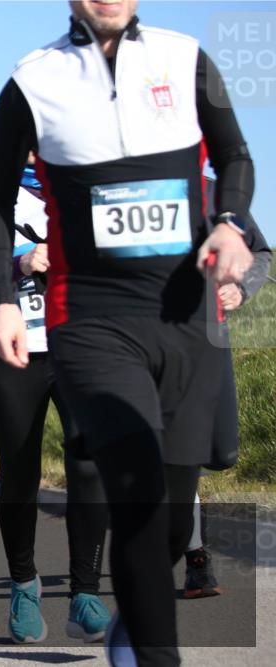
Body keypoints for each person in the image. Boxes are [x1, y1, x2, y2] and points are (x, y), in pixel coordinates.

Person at [0, 2, 257, 664]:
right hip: (92, 320)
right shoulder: (32, 80)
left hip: (188, 319)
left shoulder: (185, 59)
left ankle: (136, 614)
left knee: (170, 524)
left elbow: (236, 155)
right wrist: (5, 299)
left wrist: (231, 222)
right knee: (134, 494)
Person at [0, 159, 111, 643]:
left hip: (81, 345)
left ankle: (85, 593)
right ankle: (23, 585)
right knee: (19, 473)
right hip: (14, 351)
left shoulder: (88, 176)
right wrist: (22, 261)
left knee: (89, 464)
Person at [184, 185, 272, 600]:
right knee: (177, 458)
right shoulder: (125, 187)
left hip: (208, 336)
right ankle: (196, 557)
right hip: (148, 347)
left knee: (221, 452)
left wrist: (240, 288)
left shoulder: (213, 192)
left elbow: (261, 254)